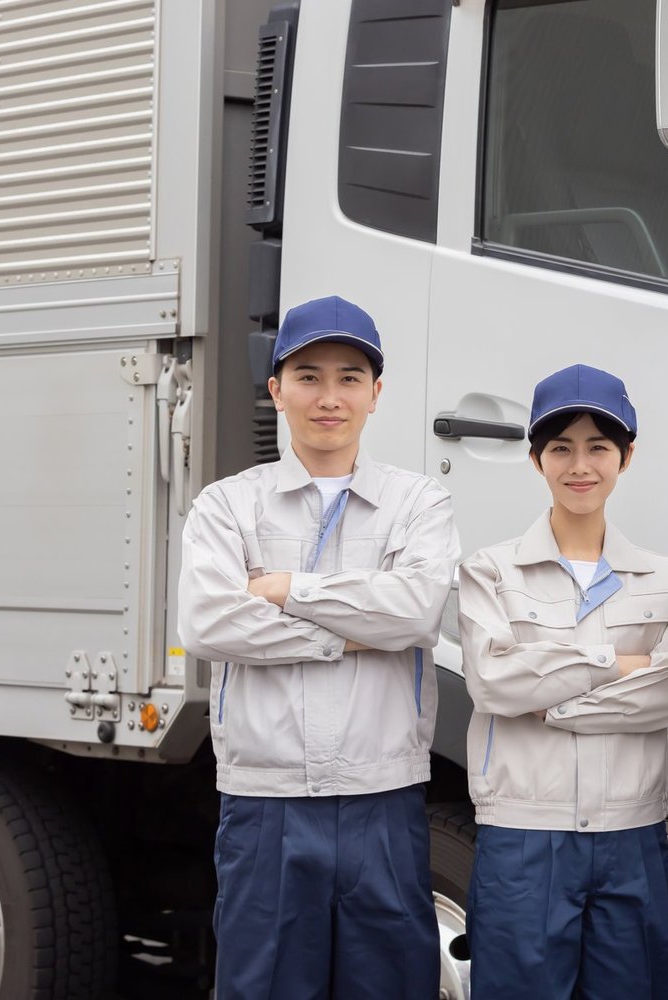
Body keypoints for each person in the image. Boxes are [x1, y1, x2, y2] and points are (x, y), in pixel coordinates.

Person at [178, 295, 459, 998]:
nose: (328, 397)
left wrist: (284, 589)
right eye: (308, 376)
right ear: (276, 389)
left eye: (349, 377)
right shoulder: (227, 504)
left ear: (375, 394)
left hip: (383, 798)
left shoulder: (418, 503)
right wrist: (354, 635)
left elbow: (417, 612)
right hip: (265, 802)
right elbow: (208, 625)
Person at [457, 364, 668, 999]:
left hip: (632, 836)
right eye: (560, 447)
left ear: (627, 456)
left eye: (598, 447)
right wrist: (616, 665)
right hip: (523, 839)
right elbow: (494, 685)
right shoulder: (491, 572)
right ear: (536, 460)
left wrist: (549, 698)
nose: (579, 465)